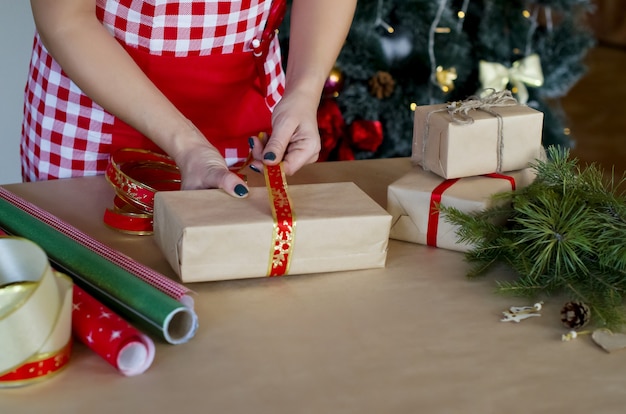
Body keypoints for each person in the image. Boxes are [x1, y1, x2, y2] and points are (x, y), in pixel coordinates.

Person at [22, 0, 357, 198]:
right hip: (94, 113)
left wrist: (304, 89)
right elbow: (64, 19)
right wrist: (187, 145)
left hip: (246, 115)